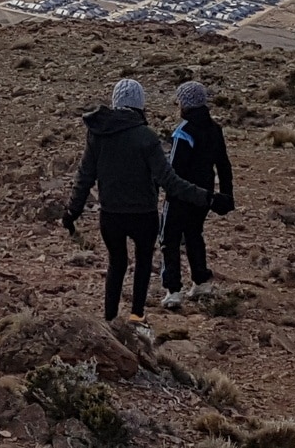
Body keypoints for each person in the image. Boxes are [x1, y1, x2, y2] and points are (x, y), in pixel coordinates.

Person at [63, 78, 217, 322]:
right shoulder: (146, 137)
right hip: (143, 215)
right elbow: (170, 181)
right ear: (140, 104)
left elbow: (84, 176)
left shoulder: (98, 135)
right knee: (143, 264)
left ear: (116, 102)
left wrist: (72, 212)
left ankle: (111, 319)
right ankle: (136, 317)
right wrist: (205, 197)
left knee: (117, 264)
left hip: (111, 214)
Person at [160, 80, 233, 308]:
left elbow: (174, 169)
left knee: (169, 239)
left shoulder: (183, 132)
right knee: (194, 235)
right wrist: (226, 195)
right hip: (205, 194)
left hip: (181, 195)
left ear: (185, 103)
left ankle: (173, 290)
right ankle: (201, 280)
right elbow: (224, 164)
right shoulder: (215, 129)